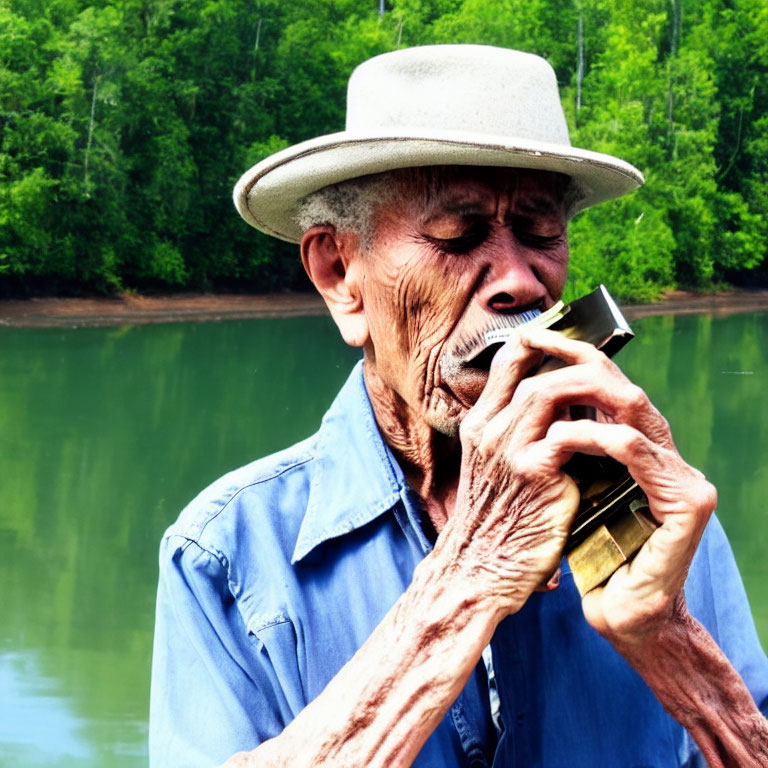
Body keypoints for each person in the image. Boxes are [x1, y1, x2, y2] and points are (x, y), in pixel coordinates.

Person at [149, 45, 768, 767]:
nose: (519, 281)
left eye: (540, 235)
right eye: (456, 235)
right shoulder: (225, 554)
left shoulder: (658, 504)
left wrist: (668, 640)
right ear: (340, 272)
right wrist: (468, 579)